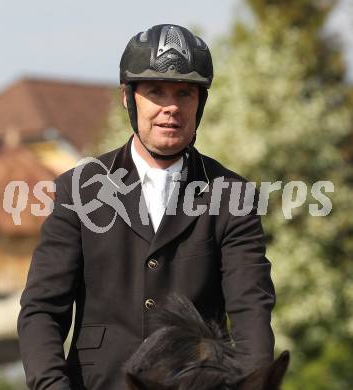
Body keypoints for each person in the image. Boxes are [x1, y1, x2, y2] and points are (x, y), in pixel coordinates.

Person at [18, 24, 275, 390]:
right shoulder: (78, 190)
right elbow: (42, 311)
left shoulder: (232, 195)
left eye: (184, 93)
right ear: (128, 97)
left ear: (199, 103)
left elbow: (251, 310)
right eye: (156, 92)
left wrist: (254, 383)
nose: (171, 107)